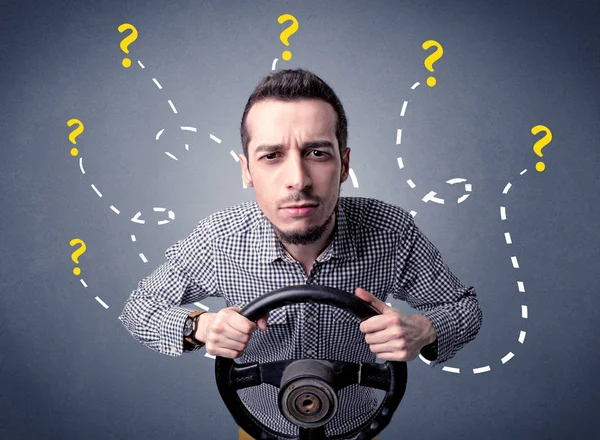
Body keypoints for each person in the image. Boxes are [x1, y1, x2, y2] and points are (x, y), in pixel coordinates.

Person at [119, 68, 483, 439]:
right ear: (246, 171)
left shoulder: (390, 231)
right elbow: (138, 309)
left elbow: (465, 308)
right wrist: (201, 326)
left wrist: (423, 330)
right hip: (260, 430)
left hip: (359, 429)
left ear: (344, 164)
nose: (299, 178)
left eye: (316, 152)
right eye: (272, 155)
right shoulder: (218, 239)